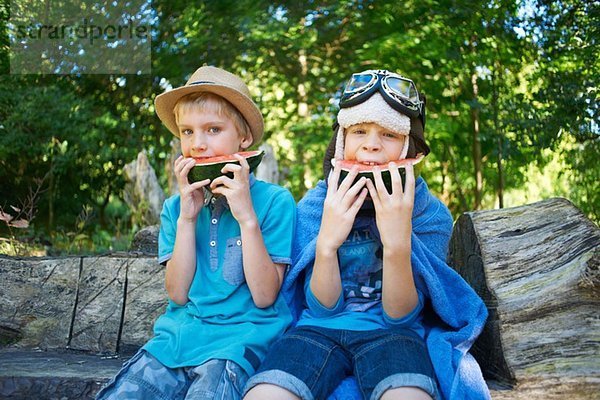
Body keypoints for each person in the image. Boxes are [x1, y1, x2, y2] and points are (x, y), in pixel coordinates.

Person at [243, 69, 490, 400]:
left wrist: (398, 245)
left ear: (411, 149)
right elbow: (322, 310)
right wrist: (327, 243)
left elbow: (399, 317)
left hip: (394, 335)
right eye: (359, 131)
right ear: (341, 142)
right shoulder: (315, 206)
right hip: (316, 330)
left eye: (389, 134)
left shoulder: (429, 215)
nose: (371, 146)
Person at [96, 66, 296, 400]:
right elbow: (177, 294)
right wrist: (188, 220)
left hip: (240, 342)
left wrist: (247, 217)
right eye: (187, 132)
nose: (198, 144)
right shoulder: (176, 209)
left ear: (244, 138)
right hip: (176, 340)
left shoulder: (275, 202)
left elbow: (264, 297)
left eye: (213, 129)